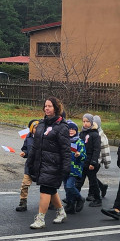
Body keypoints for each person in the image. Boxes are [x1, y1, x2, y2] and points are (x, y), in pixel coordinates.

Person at [28, 97, 71, 230]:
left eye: (50, 106)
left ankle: (40, 219)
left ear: (56, 108)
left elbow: (66, 149)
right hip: (41, 163)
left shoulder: (62, 127)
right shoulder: (41, 124)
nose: (47, 108)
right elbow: (35, 145)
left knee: (45, 190)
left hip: (54, 164)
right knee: (51, 189)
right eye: (45, 106)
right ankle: (61, 212)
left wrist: (65, 167)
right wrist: (30, 161)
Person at [79, 113, 103, 207]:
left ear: (92, 122)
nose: (85, 123)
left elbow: (96, 150)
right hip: (82, 162)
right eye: (84, 121)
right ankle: (74, 197)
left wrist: (93, 162)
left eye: (87, 121)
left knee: (93, 182)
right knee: (79, 181)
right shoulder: (82, 133)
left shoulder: (95, 135)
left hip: (91, 163)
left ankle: (98, 199)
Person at [63, 120, 87, 214]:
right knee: (66, 187)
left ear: (76, 131)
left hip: (74, 168)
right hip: (65, 168)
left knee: (69, 186)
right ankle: (70, 205)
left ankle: (80, 198)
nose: (71, 131)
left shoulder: (79, 142)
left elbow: (84, 156)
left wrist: (79, 154)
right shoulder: (64, 141)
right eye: (69, 129)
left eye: (73, 129)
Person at [16, 119, 39, 212]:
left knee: (46, 185)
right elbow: (25, 148)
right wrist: (24, 153)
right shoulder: (28, 138)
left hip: (41, 165)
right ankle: (23, 203)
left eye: (39, 127)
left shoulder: (44, 138)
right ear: (31, 129)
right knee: (25, 184)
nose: (37, 129)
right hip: (30, 165)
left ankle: (51, 202)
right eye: (35, 128)